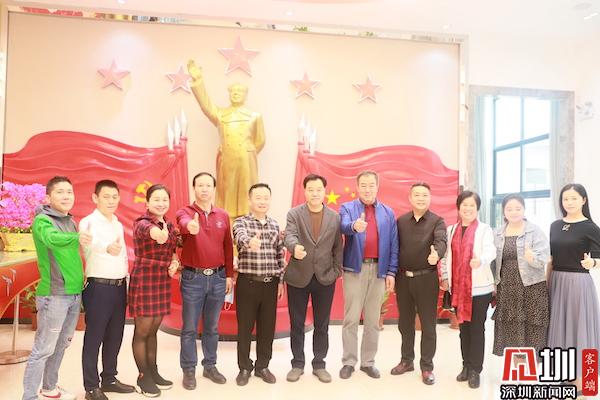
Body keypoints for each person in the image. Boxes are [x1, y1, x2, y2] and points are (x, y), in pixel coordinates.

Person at [22, 176, 92, 400]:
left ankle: (49, 387)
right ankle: (29, 396)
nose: (66, 196)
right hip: (54, 295)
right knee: (43, 349)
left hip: (73, 294)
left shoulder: (70, 221)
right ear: (48, 197)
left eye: (69, 192)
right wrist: (76, 237)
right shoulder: (42, 221)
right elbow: (51, 239)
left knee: (61, 345)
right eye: (60, 192)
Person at [187, 59, 266, 221]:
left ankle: (247, 222)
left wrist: (247, 152)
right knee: (227, 193)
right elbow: (206, 106)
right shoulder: (221, 115)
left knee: (246, 193)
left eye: (240, 91)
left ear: (245, 95)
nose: (236, 93)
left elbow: (260, 140)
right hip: (227, 160)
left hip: (246, 160)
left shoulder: (255, 116)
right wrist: (198, 81)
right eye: (233, 91)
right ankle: (226, 223)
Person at [283, 174, 343, 383]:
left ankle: (319, 364)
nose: (315, 193)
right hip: (298, 276)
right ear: (305, 191)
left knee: (322, 324)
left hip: (325, 277)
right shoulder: (294, 214)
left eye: (318, 189)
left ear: (324, 191)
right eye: (311, 189)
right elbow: (289, 235)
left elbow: (337, 246)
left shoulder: (334, 217)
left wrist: (336, 271)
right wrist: (294, 247)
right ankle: (297, 364)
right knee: (297, 324)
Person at [176, 172, 234, 389]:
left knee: (212, 327)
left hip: (218, 278)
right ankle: (188, 370)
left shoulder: (223, 215)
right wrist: (190, 226)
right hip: (193, 278)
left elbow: (228, 247)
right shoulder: (185, 212)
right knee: (190, 328)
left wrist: (229, 275)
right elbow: (183, 223)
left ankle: (210, 366)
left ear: (214, 188)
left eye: (208, 185)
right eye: (200, 185)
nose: (204, 189)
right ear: (194, 188)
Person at [338, 171, 398, 380]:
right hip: (354, 269)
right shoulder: (347, 208)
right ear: (357, 187)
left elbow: (394, 244)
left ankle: (368, 362)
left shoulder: (388, 212)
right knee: (351, 318)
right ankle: (349, 362)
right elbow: (343, 226)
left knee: (373, 320)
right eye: (363, 185)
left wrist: (391, 271)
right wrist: (354, 226)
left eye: (371, 185)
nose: (367, 189)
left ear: (377, 186)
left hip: (379, 270)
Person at [79, 180, 135, 400]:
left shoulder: (117, 223)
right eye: (106, 196)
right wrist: (106, 247)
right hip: (98, 287)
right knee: (94, 337)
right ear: (95, 198)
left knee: (115, 335)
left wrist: (127, 278)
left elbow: (122, 255)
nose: (111, 201)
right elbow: (88, 244)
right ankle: (91, 386)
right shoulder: (88, 222)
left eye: (115, 197)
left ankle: (109, 378)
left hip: (119, 287)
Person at [392, 182, 447, 385]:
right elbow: (394, 247)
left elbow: (441, 241)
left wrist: (437, 254)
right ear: (410, 198)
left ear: (430, 198)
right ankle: (406, 361)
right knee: (405, 323)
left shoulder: (437, 221)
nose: (421, 198)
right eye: (417, 195)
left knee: (428, 325)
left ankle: (427, 366)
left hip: (426, 278)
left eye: (425, 195)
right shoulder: (401, 221)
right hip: (403, 279)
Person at [547, 183, 600, 395]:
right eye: (565, 198)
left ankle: (584, 382)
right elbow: (551, 258)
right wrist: (546, 283)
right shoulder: (555, 225)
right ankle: (566, 376)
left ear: (583, 200)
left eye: (574, 198)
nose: (569, 202)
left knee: (580, 330)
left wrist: (593, 263)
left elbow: (599, 258)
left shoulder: (590, 227)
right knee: (561, 329)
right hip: (556, 281)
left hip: (578, 284)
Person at [440, 190, 496, 389]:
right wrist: (445, 278)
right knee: (463, 329)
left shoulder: (484, 229)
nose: (468, 208)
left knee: (477, 329)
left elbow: (491, 250)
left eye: (472, 205)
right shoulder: (451, 230)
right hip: (458, 288)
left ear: (477, 208)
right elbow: (446, 257)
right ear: (458, 207)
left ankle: (475, 370)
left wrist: (480, 260)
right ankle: (465, 366)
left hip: (479, 289)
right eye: (465, 204)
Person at [128, 184, 180, 397]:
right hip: (144, 279)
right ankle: (143, 377)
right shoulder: (142, 223)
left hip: (161, 280)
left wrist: (175, 262)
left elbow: (174, 249)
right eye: (156, 199)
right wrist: (161, 234)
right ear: (147, 202)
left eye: (164, 199)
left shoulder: (169, 224)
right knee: (142, 331)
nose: (161, 203)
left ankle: (153, 372)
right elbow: (157, 235)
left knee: (152, 331)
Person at [232, 183, 285, 386]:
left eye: (266, 198)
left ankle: (263, 366)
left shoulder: (274, 225)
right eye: (258, 197)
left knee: (267, 328)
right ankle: (244, 367)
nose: (262, 201)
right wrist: (249, 243)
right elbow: (239, 237)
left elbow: (279, 255)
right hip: (248, 283)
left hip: (270, 284)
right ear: (250, 200)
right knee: (245, 328)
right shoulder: (241, 222)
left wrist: (280, 281)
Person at [492, 194, 550, 362]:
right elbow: (492, 261)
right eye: (509, 209)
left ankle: (531, 367)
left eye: (518, 208)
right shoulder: (497, 233)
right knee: (512, 327)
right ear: (503, 211)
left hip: (532, 286)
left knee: (533, 326)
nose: (514, 212)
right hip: (507, 287)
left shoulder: (535, 231)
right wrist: (493, 283)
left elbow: (544, 258)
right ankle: (518, 367)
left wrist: (532, 258)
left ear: (524, 209)